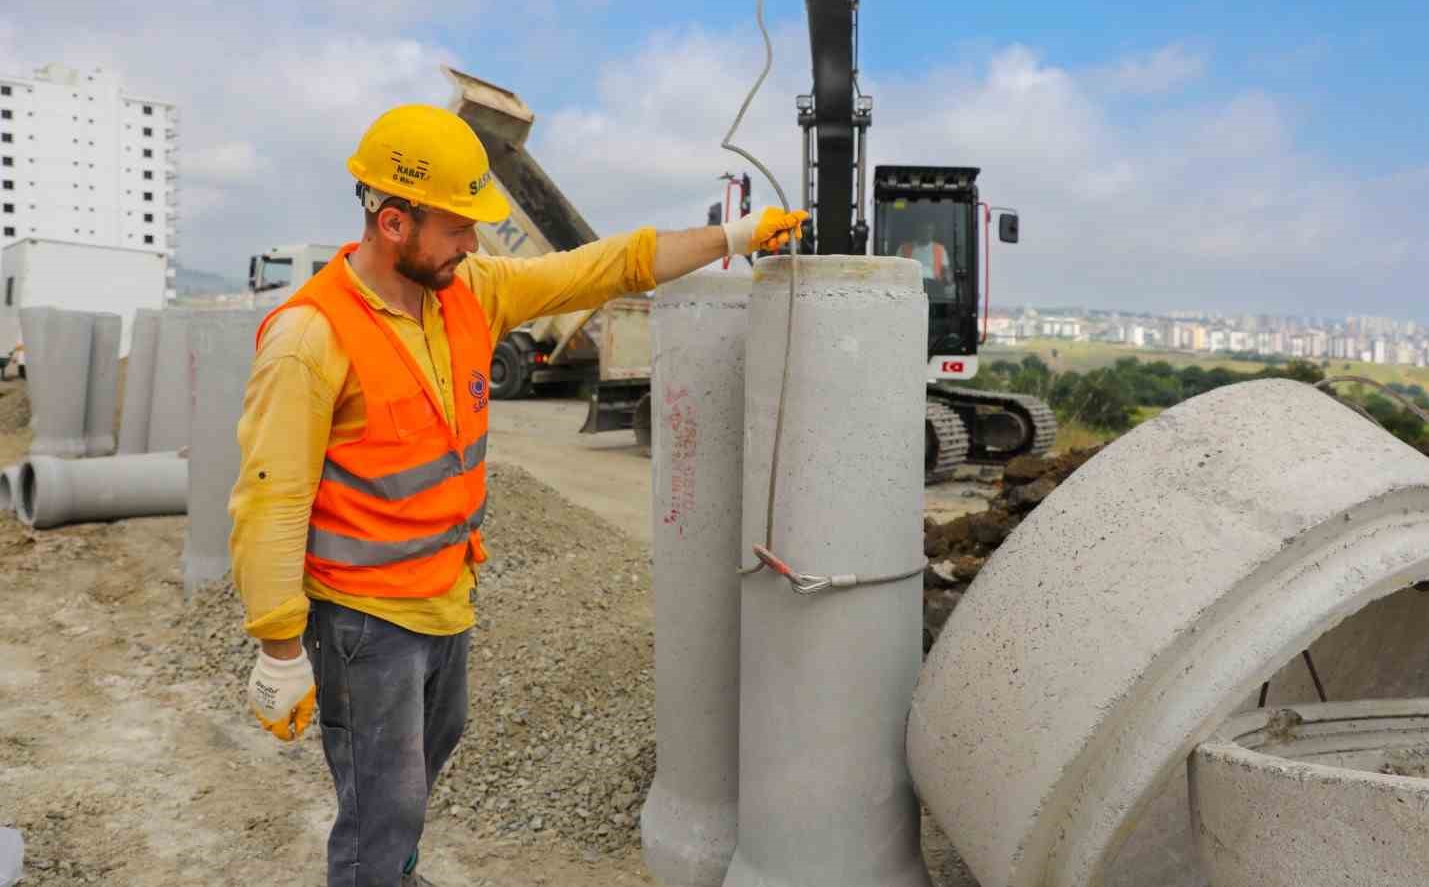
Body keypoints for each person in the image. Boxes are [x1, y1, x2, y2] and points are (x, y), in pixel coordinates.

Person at [229, 104, 805, 887]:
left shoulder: (469, 292)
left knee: (417, 773)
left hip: (444, 596)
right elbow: (271, 498)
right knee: (380, 806)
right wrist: (279, 646)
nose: (473, 244)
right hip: (366, 621)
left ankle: (391, 874)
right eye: (458, 227)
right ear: (394, 221)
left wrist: (734, 238)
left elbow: (608, 267)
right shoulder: (310, 337)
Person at [897, 217, 949, 282]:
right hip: (910, 284)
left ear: (933, 232)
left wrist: (949, 281)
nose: (926, 233)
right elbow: (897, 270)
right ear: (917, 231)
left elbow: (946, 270)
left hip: (934, 285)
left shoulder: (940, 249)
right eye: (923, 230)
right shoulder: (903, 248)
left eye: (929, 230)